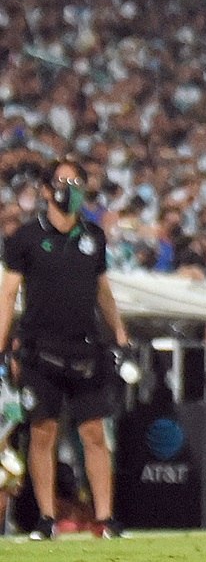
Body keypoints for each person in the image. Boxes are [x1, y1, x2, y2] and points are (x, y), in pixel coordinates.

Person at [0, 156, 132, 538]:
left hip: (85, 348)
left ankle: (105, 518)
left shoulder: (94, 237)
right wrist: (3, 345)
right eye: (62, 182)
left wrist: (120, 334)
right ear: (44, 190)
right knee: (43, 434)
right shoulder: (24, 238)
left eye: (76, 182)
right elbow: (8, 294)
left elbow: (103, 290)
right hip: (40, 349)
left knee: (94, 433)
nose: (69, 189)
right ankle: (46, 517)